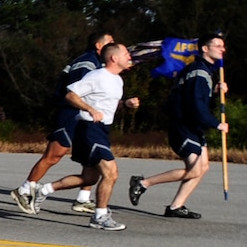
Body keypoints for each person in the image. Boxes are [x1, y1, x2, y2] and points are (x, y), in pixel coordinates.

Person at [39, 43, 140, 230]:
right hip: (89, 129)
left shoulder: (117, 80)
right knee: (111, 172)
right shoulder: (97, 76)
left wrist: (126, 104)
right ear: (114, 58)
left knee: (90, 178)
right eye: (126, 53)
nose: (130, 57)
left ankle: (43, 190)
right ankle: (100, 216)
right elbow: (70, 95)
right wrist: (89, 109)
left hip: (102, 130)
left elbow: (108, 104)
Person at [130, 35, 228, 219]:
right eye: (218, 45)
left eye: (223, 46)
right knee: (195, 169)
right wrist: (216, 124)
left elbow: (199, 99)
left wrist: (215, 92)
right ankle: (143, 183)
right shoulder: (198, 71)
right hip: (184, 125)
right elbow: (195, 105)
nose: (223, 49)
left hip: (193, 126)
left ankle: (176, 206)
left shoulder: (203, 71)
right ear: (205, 49)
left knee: (203, 167)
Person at [14, 33, 114, 213]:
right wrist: (90, 108)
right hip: (71, 113)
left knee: (91, 158)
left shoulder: (96, 63)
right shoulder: (87, 63)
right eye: (110, 42)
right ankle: (25, 189)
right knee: (54, 155)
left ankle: (83, 198)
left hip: (85, 116)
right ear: (99, 46)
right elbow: (74, 92)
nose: (114, 44)